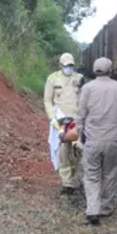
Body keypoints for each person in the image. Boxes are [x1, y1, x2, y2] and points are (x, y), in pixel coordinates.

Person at [75, 57, 117, 225]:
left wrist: (79, 135)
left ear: (94, 70)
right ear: (111, 70)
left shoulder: (87, 88)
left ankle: (93, 210)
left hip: (93, 139)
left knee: (91, 175)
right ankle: (106, 208)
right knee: (110, 174)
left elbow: (80, 114)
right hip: (113, 139)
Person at [43, 52, 84, 195]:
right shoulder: (52, 79)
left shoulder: (79, 79)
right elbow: (47, 100)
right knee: (62, 150)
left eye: (71, 65)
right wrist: (52, 118)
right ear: (61, 65)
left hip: (76, 120)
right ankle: (67, 183)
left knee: (77, 150)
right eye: (66, 66)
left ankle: (73, 176)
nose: (69, 68)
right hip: (60, 121)